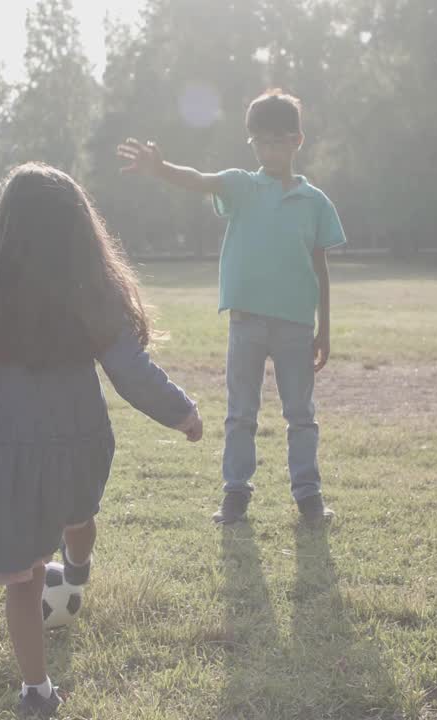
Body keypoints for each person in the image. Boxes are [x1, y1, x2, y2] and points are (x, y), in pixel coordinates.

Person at [0, 163, 203, 718]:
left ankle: (36, 689)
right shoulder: (88, 300)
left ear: (3, 230)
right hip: (80, 448)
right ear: (80, 234)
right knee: (78, 516)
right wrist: (181, 413)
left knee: (23, 577)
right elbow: (133, 373)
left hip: (7, 461)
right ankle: (78, 569)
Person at [117, 88, 346, 526]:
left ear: (298, 140)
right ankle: (235, 496)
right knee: (241, 413)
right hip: (246, 323)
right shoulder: (242, 185)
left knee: (301, 416)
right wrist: (161, 168)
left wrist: (325, 330)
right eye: (259, 141)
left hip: (297, 326)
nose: (267, 149)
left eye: (277, 140)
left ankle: (309, 497)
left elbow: (321, 269)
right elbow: (200, 179)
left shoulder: (314, 202)